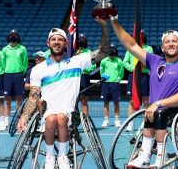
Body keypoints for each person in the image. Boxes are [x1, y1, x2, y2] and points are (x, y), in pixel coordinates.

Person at [107, 16, 178, 168]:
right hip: (155, 109)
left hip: (177, 108)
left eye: (174, 41)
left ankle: (161, 157)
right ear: (162, 47)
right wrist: (114, 22)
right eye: (167, 42)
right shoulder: (155, 61)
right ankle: (145, 155)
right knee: (152, 112)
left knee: (159, 112)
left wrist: (158, 103)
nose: (171, 44)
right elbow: (131, 45)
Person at [18, 19, 110, 169]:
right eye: (53, 39)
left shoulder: (77, 62)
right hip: (47, 113)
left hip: (70, 113)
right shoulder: (38, 69)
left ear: (66, 44)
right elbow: (33, 97)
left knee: (60, 117)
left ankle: (62, 157)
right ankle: (49, 157)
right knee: (52, 117)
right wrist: (24, 116)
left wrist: (104, 26)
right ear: (48, 43)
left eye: (60, 39)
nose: (56, 42)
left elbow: (104, 52)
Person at [123, 30, 153, 131]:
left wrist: (143, 66)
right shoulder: (130, 48)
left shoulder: (149, 48)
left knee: (146, 100)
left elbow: (151, 61)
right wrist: (133, 69)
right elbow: (125, 62)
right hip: (133, 75)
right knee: (131, 100)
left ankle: (146, 122)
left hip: (144, 76)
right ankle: (130, 123)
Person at [2, 30, 28, 130]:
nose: (13, 37)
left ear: (17, 37)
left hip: (18, 75)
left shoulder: (22, 48)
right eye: (11, 35)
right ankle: (6, 121)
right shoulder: (5, 49)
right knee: (7, 99)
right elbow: (3, 62)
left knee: (19, 99)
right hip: (8, 75)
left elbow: (25, 62)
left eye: (15, 35)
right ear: (9, 37)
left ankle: (19, 120)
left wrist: (22, 72)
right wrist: (7, 70)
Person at [100, 45, 124, 128]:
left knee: (116, 102)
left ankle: (117, 120)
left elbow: (121, 72)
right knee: (105, 102)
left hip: (115, 84)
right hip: (105, 84)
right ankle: (106, 120)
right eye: (110, 55)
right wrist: (104, 78)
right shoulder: (103, 61)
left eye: (113, 56)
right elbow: (102, 71)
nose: (112, 57)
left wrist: (117, 79)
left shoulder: (119, 61)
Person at [75, 34, 97, 115]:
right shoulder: (75, 52)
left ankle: (86, 120)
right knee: (74, 100)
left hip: (84, 77)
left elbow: (93, 66)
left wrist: (83, 69)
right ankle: (73, 122)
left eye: (83, 41)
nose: (81, 43)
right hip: (75, 77)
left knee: (84, 100)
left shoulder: (90, 53)